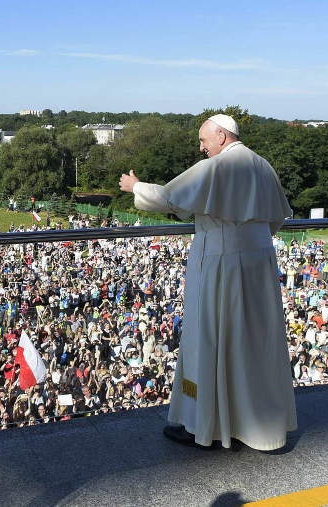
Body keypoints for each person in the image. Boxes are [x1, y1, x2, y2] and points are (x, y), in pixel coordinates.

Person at [119, 114, 297, 451]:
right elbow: (275, 219)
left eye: (204, 140)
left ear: (221, 135)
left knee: (208, 340)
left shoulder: (221, 166)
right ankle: (252, 426)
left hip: (222, 264)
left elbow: (170, 197)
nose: (202, 148)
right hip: (259, 262)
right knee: (253, 344)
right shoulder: (263, 165)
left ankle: (202, 426)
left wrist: (135, 187)